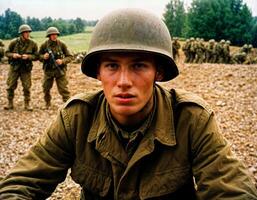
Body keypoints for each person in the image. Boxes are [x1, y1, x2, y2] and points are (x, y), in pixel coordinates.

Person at [1, 8, 257, 200]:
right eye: (112, 66)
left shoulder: (190, 119)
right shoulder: (77, 118)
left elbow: (233, 191)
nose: (123, 81)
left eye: (138, 65)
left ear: (158, 73)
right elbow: (21, 184)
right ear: (98, 73)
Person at [4, 24, 38, 111]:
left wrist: (28, 57)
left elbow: (36, 56)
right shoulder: (14, 42)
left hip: (26, 68)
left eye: (28, 32)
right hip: (14, 67)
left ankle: (27, 104)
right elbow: (6, 53)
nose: (28, 34)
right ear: (21, 33)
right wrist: (13, 55)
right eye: (25, 32)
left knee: (27, 87)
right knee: (10, 86)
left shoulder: (33, 44)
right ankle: (10, 103)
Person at [39, 27, 72, 109]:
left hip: (60, 71)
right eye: (52, 35)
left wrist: (62, 61)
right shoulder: (44, 45)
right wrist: (44, 56)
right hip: (48, 71)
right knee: (46, 88)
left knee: (64, 89)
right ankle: (47, 103)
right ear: (49, 36)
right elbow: (38, 56)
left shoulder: (61, 44)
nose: (54, 36)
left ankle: (68, 106)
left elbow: (70, 57)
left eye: (55, 34)